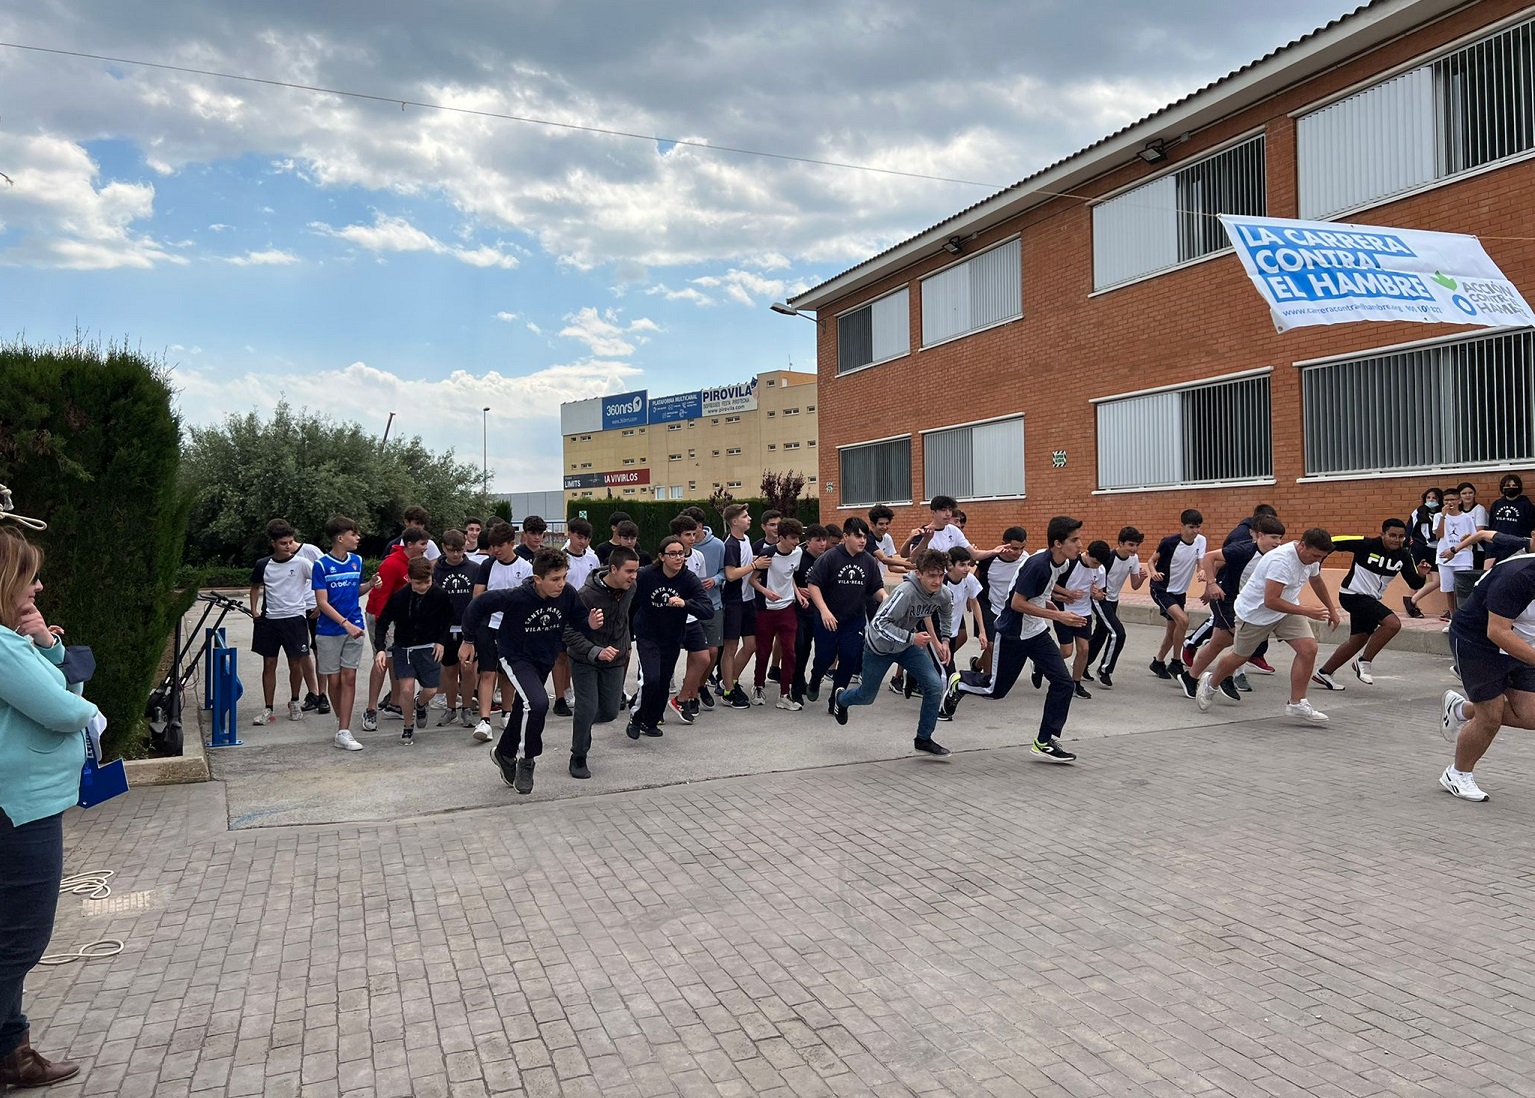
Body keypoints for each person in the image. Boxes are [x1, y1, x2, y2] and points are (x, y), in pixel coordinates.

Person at [0, 528, 99, 1089]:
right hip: (16, 810)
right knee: (18, 938)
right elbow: (63, 707)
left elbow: (62, 674)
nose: (37, 587)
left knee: (12, 938)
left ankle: (12, 1051)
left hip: (24, 806)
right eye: (27, 577)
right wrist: (83, 704)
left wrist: (46, 645)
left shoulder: (11, 640)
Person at [942, 516, 1087, 764]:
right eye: (1075, 540)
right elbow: (1017, 603)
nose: (1080, 545)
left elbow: (1037, 592)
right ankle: (960, 681)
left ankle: (1045, 740)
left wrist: (1047, 602)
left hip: (1037, 632)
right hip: (1012, 634)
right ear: (1058, 543)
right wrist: (1058, 615)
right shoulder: (1038, 565)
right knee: (994, 690)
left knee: (1064, 683)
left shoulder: (1059, 563)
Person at [460, 547, 601, 795]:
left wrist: (589, 623)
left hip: (543, 659)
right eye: (555, 579)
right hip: (515, 657)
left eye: (564, 577)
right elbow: (478, 604)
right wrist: (469, 640)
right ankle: (527, 760)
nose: (562, 584)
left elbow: (578, 620)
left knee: (523, 708)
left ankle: (504, 753)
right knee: (537, 704)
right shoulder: (517, 596)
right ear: (538, 579)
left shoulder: (567, 593)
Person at [1196, 528, 1339, 724]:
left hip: (1286, 610)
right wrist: (1307, 611)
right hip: (1255, 613)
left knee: (1309, 649)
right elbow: (1271, 601)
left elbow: (1316, 580)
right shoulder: (1280, 561)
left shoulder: (1312, 557)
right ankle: (1210, 683)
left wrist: (1332, 609)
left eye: (1321, 558)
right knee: (1240, 657)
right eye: (1315, 556)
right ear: (1302, 546)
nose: (1317, 561)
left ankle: (1297, 703)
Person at [830, 549, 955, 757]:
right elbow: (878, 623)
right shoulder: (906, 592)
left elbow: (946, 614)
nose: (937, 581)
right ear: (919, 574)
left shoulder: (943, 593)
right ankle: (842, 699)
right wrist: (911, 638)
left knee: (934, 685)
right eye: (932, 575)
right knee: (867, 696)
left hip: (907, 645)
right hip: (879, 647)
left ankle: (923, 739)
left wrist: (945, 640)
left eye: (941, 575)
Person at [1437, 552, 1535, 801]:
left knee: (1531, 715)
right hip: (1478, 641)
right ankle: (1457, 774)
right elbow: (1497, 630)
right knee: (1490, 717)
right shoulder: (1518, 577)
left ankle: (1461, 709)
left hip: (1521, 641)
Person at [1312, 519, 1427, 689]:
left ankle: (1324, 673)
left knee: (1358, 640)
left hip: (1370, 600)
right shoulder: (1366, 544)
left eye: (1401, 537)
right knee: (1393, 624)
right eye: (1392, 535)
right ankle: (1364, 662)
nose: (1396, 540)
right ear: (1383, 534)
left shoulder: (1403, 555)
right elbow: (1333, 542)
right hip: (1352, 595)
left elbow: (1414, 584)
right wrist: (1317, 563)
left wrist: (1422, 575)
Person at [1185, 515, 1285, 700]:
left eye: (1280, 538)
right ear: (1260, 535)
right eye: (1273, 538)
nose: (1277, 542)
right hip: (1226, 599)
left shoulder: (1276, 556)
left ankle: (1190, 677)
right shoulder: (1244, 550)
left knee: (1217, 643)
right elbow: (1209, 558)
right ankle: (1225, 677)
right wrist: (1212, 584)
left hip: (1246, 604)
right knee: (1243, 638)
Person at [562, 546, 639, 779]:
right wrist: (595, 650)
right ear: (613, 569)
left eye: (636, 571)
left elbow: (625, 617)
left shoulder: (630, 587)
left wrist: (624, 645)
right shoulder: (586, 595)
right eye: (629, 571)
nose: (634, 576)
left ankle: (582, 724)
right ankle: (578, 755)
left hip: (614, 658)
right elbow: (567, 631)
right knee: (587, 707)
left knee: (609, 712)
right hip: (585, 658)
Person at [629, 536, 713, 738]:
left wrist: (685, 603)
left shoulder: (688, 578)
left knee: (664, 681)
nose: (678, 558)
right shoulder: (646, 575)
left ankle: (651, 721)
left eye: (681, 554)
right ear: (661, 556)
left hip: (672, 637)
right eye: (672, 554)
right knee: (651, 679)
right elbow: (623, 585)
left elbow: (707, 609)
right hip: (647, 635)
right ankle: (636, 718)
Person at [372, 556, 452, 745]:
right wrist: (381, 649)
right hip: (404, 648)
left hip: (428, 648)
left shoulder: (440, 594)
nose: (423, 586)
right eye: (418, 583)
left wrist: (441, 642)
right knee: (406, 690)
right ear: (408, 578)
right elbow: (382, 623)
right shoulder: (399, 597)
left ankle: (421, 704)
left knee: (431, 690)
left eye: (427, 582)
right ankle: (408, 726)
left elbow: (447, 620)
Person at [805, 516, 886, 702]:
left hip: (854, 620)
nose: (862, 540)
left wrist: (887, 599)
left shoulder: (868, 561)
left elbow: (876, 589)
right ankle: (815, 679)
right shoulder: (830, 557)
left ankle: (836, 699)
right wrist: (824, 611)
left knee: (849, 658)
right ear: (845, 536)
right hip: (829, 619)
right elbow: (813, 584)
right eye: (858, 536)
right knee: (825, 658)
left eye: (865, 536)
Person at [248, 519, 319, 725]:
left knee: (295, 663)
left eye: (290, 542)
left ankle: (295, 701)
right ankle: (268, 708)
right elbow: (254, 587)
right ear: (273, 543)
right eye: (283, 543)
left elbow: (321, 581)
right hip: (270, 620)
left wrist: (320, 605)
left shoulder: (302, 563)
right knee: (269, 663)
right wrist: (254, 610)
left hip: (295, 619)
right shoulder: (263, 564)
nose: (288, 546)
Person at [468, 521, 532, 744]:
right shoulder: (487, 565)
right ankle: (484, 720)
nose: (495, 551)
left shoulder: (525, 568)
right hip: (489, 626)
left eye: (499, 546)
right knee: (487, 672)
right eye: (492, 546)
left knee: (507, 674)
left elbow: (527, 600)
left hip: (513, 629)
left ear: (511, 544)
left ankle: (507, 713)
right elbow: (478, 597)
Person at [361, 528, 429, 730]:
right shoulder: (391, 564)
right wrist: (383, 628)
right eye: (422, 544)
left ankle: (396, 704)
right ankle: (371, 709)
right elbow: (381, 596)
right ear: (409, 545)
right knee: (382, 660)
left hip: (399, 620)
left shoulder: (412, 564)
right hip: (382, 617)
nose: (425, 548)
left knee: (396, 660)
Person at [312, 515, 368, 751]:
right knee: (333, 680)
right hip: (330, 630)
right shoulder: (321, 565)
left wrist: (371, 585)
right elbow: (322, 603)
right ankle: (341, 723)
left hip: (355, 627)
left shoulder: (357, 560)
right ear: (340, 537)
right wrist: (345, 623)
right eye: (353, 534)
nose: (358, 538)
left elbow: (355, 591)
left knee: (349, 677)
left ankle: (344, 729)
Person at [1148, 509, 1212, 681]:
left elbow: (1200, 563)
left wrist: (1202, 572)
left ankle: (1158, 662)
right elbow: (1151, 560)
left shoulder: (1201, 541)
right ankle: (1176, 662)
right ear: (1182, 526)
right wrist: (1153, 572)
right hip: (1161, 589)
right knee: (1183, 620)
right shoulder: (1169, 542)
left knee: (1173, 630)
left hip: (1179, 591)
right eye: (1191, 527)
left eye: (1198, 527)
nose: (1195, 531)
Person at [751, 518, 806, 710]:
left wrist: (798, 595)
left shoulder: (798, 552)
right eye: (792, 538)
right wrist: (766, 592)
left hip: (787, 609)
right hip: (766, 610)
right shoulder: (767, 555)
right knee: (763, 651)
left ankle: (784, 694)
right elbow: (752, 580)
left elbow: (789, 576)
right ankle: (758, 685)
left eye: (798, 537)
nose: (797, 542)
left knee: (789, 652)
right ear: (781, 538)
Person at [551, 519, 600, 718]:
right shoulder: (562, 559)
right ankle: (559, 697)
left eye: (587, 538)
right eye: (579, 537)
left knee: (578, 654)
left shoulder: (592, 558)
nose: (583, 542)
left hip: (585, 612)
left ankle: (574, 691)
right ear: (569, 534)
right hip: (564, 612)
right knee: (561, 656)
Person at [432, 530, 480, 727]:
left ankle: (466, 708)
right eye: (451, 551)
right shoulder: (435, 570)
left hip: (467, 628)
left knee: (468, 670)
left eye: (460, 550)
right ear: (443, 548)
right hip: (445, 629)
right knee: (449, 671)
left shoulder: (475, 569)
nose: (456, 555)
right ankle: (450, 709)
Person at [719, 504, 764, 709]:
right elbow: (730, 574)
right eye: (745, 516)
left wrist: (757, 560)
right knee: (731, 647)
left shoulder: (746, 540)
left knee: (751, 645)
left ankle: (730, 681)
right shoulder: (730, 544)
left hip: (748, 600)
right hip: (733, 602)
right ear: (734, 522)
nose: (749, 519)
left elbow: (746, 562)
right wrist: (755, 566)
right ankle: (728, 691)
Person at [1086, 527, 1143, 688]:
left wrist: (1142, 578)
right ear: (1120, 543)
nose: (1134, 549)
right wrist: (1097, 593)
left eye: (1136, 545)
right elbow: (1095, 577)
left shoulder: (1134, 559)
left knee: (1101, 633)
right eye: (1130, 545)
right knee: (1118, 633)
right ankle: (1105, 670)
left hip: (1113, 600)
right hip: (1101, 599)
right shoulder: (1109, 557)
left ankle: (1083, 664)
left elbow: (1135, 585)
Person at [668, 514, 711, 723]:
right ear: (676, 536)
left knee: (703, 658)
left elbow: (700, 588)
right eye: (687, 534)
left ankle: (683, 698)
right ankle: (651, 706)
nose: (692, 538)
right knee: (664, 666)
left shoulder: (699, 557)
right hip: (670, 620)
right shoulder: (666, 557)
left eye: (694, 534)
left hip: (691, 618)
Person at [972, 528, 1027, 679]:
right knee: (991, 645)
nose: (1018, 552)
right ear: (1004, 544)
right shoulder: (989, 560)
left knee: (1003, 646)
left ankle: (977, 665)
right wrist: (970, 599)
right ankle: (987, 678)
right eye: (1014, 548)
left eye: (1022, 548)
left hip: (1009, 608)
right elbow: (975, 578)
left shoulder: (1026, 560)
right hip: (987, 604)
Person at [685, 506, 726, 710]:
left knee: (712, 651)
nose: (691, 536)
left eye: (693, 530)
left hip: (713, 604)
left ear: (700, 526)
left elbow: (724, 571)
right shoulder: (677, 546)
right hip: (689, 609)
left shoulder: (717, 545)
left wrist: (716, 580)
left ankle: (700, 686)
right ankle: (690, 696)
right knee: (695, 653)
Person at [1058, 542, 1105, 699]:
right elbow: (1051, 584)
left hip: (1084, 612)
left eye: (1099, 564)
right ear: (1087, 553)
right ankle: (1040, 664)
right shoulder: (1069, 563)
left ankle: (1076, 683)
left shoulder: (1100, 570)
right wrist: (1066, 593)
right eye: (1094, 562)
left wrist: (1097, 594)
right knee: (1066, 651)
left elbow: (1100, 595)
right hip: (1064, 610)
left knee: (1084, 649)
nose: (1095, 567)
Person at [789, 524, 829, 704]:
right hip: (799, 609)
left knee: (817, 648)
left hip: (817, 610)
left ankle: (807, 680)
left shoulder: (826, 559)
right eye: (818, 540)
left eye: (824, 540)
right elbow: (787, 576)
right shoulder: (799, 557)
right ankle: (795, 686)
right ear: (808, 542)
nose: (822, 544)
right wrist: (798, 590)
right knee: (801, 646)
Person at [942, 546, 987, 679]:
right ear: (950, 565)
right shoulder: (941, 583)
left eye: (968, 564)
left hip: (952, 632)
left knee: (942, 667)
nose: (967, 569)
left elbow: (975, 602)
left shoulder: (969, 580)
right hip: (939, 632)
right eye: (962, 565)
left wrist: (982, 631)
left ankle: (914, 678)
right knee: (949, 674)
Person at [1436, 493, 1478, 620]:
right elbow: (1439, 534)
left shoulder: (1467, 518)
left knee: (1464, 590)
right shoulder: (1439, 516)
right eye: (1446, 500)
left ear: (1459, 501)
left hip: (1463, 557)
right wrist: (1443, 517)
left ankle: (1465, 617)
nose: (1450, 502)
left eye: (1453, 499)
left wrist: (1467, 539)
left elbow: (1474, 538)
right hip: (1444, 557)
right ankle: (1453, 618)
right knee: (1449, 590)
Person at [1403, 488, 1443, 619]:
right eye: (1429, 498)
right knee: (1417, 577)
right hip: (1420, 548)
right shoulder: (1418, 511)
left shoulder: (1442, 513)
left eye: (1434, 498)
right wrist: (1407, 542)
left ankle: (1411, 600)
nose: (1431, 501)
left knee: (1437, 580)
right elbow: (1410, 527)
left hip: (1436, 549)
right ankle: (1412, 607)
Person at [1487, 474, 1535, 562]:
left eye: (1514, 486)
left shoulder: (1526, 505)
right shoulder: (1497, 504)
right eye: (1508, 486)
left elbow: (1531, 527)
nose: (1511, 488)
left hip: (1517, 549)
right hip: (1496, 548)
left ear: (1519, 487)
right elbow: (1492, 525)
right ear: (1502, 487)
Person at [867, 505, 911, 576]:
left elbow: (891, 567)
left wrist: (909, 572)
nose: (885, 527)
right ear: (872, 524)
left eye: (887, 524)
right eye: (881, 524)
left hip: (879, 582)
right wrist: (906, 564)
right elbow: (883, 559)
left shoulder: (887, 538)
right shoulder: (867, 538)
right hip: (867, 583)